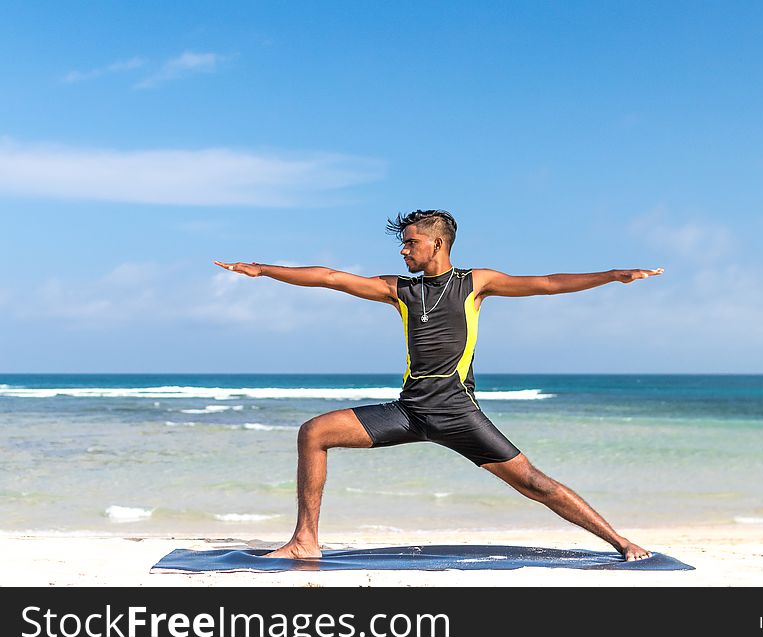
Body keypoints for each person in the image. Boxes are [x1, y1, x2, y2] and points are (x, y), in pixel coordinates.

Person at [213, 209, 663, 561]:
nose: (404, 252)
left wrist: (609, 275)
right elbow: (332, 277)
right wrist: (264, 270)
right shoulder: (400, 290)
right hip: (408, 412)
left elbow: (546, 283)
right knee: (314, 433)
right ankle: (304, 540)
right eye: (404, 245)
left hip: (457, 413)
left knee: (534, 484)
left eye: (411, 243)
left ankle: (620, 541)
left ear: (438, 243)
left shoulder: (474, 284)